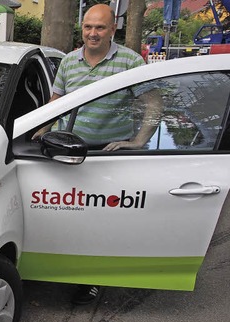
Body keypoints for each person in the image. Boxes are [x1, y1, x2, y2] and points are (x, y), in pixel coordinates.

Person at [35, 4, 161, 304]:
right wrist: (37, 133)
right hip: (66, 152)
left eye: (100, 28)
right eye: (88, 27)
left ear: (112, 29)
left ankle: (91, 278)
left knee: (99, 220)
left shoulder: (130, 62)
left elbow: (153, 105)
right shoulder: (68, 62)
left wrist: (138, 141)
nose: (93, 33)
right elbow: (55, 104)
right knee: (66, 215)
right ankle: (60, 266)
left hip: (107, 155)